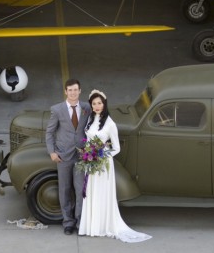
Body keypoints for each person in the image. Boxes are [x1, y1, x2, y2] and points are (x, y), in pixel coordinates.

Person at [78, 89, 152, 243]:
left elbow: (116, 148)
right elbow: (87, 139)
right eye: (94, 104)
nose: (97, 106)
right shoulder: (90, 120)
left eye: (99, 103)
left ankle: (102, 225)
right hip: (90, 162)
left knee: (101, 193)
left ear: (104, 105)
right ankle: (91, 226)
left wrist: (102, 156)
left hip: (103, 163)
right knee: (90, 192)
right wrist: (87, 154)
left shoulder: (110, 123)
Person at [45, 79, 91, 235]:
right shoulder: (57, 110)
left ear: (80, 91)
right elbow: (50, 132)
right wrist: (52, 152)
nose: (73, 93)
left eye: (75, 90)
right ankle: (68, 222)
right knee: (64, 190)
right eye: (70, 90)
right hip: (63, 156)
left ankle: (79, 222)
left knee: (80, 191)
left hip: (80, 156)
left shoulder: (86, 108)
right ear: (65, 91)